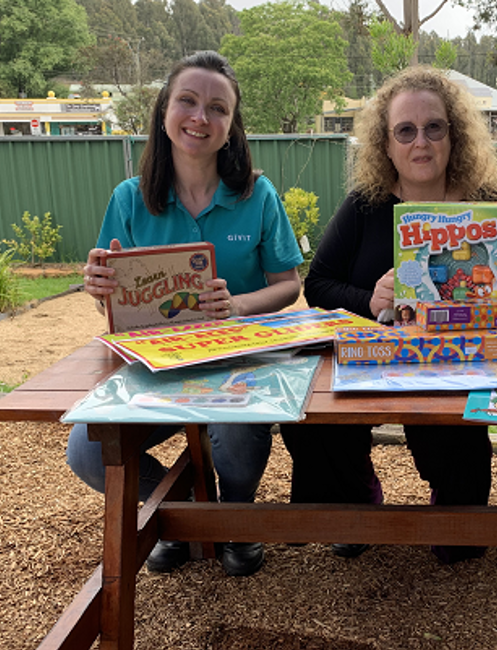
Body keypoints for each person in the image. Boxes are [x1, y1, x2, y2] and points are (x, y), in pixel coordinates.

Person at [68, 51, 304, 577]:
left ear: (231, 126)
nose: (201, 117)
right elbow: (114, 292)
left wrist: (236, 305)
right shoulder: (129, 199)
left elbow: (288, 286)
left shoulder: (257, 195)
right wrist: (98, 285)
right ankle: (185, 515)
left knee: (238, 437)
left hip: (236, 365)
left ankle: (236, 515)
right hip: (154, 366)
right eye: (188, 101)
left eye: (217, 108)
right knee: (86, 452)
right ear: (164, 111)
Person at [278, 65, 497, 564]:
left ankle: (453, 506)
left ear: (455, 135)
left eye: (434, 127)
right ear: (386, 144)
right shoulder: (366, 205)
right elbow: (316, 285)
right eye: (405, 130)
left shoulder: (488, 205)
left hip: (459, 361)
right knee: (307, 414)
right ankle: (356, 499)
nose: (420, 141)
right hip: (373, 357)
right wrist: (368, 299)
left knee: (459, 537)